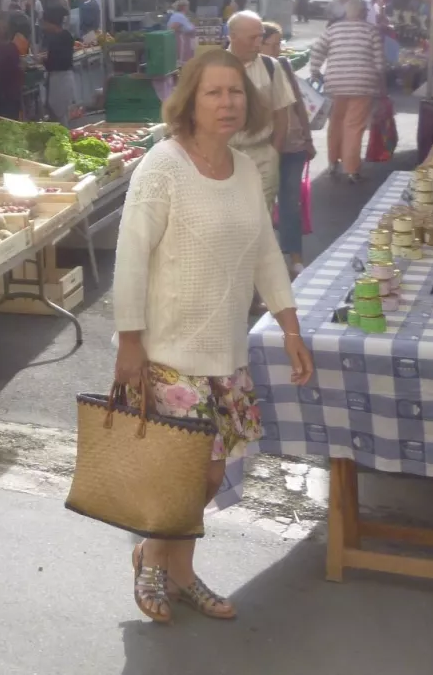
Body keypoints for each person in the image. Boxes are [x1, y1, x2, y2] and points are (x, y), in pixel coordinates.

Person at [112, 46, 311, 623]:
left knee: (208, 471)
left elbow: (266, 254)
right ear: (190, 101)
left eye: (235, 92)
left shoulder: (247, 169)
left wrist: (289, 324)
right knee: (187, 473)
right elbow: (130, 258)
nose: (227, 103)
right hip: (170, 351)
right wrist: (130, 342)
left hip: (226, 351)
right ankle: (154, 558)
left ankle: (177, 569)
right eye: (213, 92)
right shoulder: (163, 166)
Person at [307, 0, 385, 183]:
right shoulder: (371, 30)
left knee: (336, 123)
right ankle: (351, 169)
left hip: (335, 84)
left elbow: (317, 50)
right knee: (354, 127)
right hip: (362, 85)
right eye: (365, 10)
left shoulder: (333, 29)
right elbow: (379, 63)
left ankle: (333, 163)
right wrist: (381, 84)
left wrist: (315, 70)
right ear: (362, 12)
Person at [224, 11, 296, 208]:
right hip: (221, 155)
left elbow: (281, 112)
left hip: (261, 155)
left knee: (260, 219)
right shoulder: (214, 66)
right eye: (252, 38)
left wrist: (275, 151)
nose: (258, 43)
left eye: (260, 37)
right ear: (232, 37)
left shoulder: (270, 66)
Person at [261, 23, 315, 274]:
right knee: (262, 205)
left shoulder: (283, 65)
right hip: (263, 147)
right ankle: (267, 264)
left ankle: (295, 258)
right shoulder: (249, 69)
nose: (276, 49)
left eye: (278, 43)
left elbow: (299, 103)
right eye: (270, 44)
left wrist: (308, 138)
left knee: (290, 201)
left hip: (293, 145)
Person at [41, 5, 75, 123]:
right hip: (58, 78)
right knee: (57, 112)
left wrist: (43, 61)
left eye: (45, 23)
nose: (44, 26)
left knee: (60, 113)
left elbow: (56, 62)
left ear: (52, 23)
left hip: (61, 78)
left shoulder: (61, 38)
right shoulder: (62, 36)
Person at [0, 14, 24, 120]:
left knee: (4, 121)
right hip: (13, 93)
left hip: (4, 95)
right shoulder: (12, 47)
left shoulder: (0, 50)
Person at [167, 0, 198, 65]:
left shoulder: (182, 16)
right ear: (183, 7)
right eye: (187, 6)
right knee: (180, 64)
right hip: (181, 45)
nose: (188, 8)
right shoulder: (177, 16)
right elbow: (172, 28)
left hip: (186, 45)